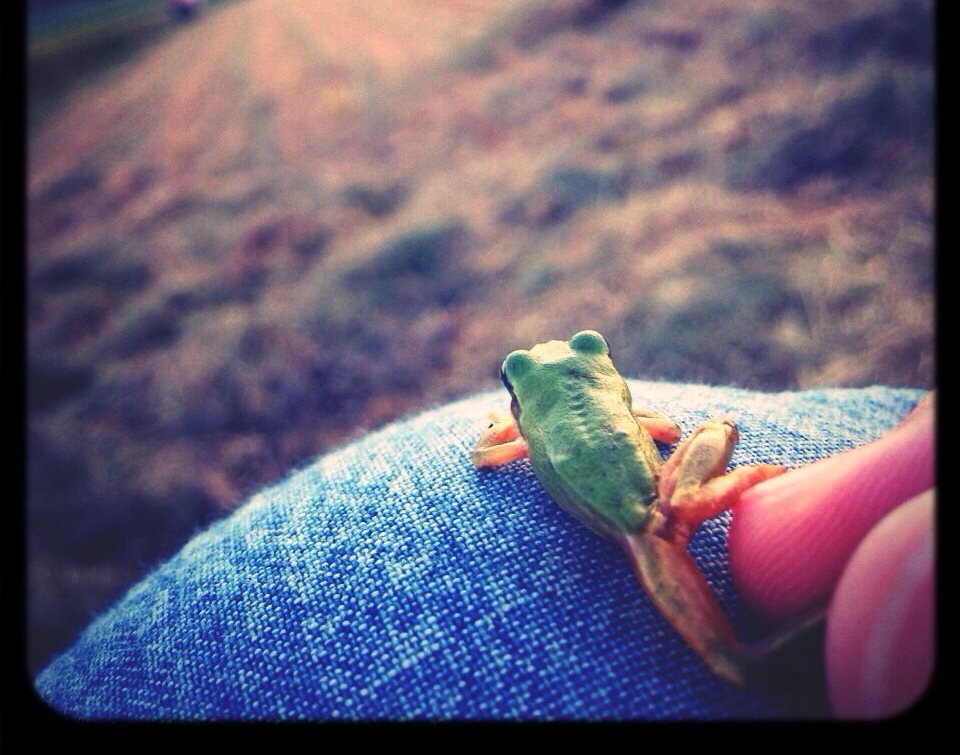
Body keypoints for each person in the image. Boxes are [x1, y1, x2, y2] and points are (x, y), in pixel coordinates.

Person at [33, 380, 932, 720]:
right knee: (721, 434)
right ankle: (747, 522)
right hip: (654, 501)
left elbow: (479, 454)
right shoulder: (622, 395)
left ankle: (759, 617)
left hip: (648, 513)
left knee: (728, 640)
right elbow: (660, 424)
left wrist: (515, 427)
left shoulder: (516, 425)